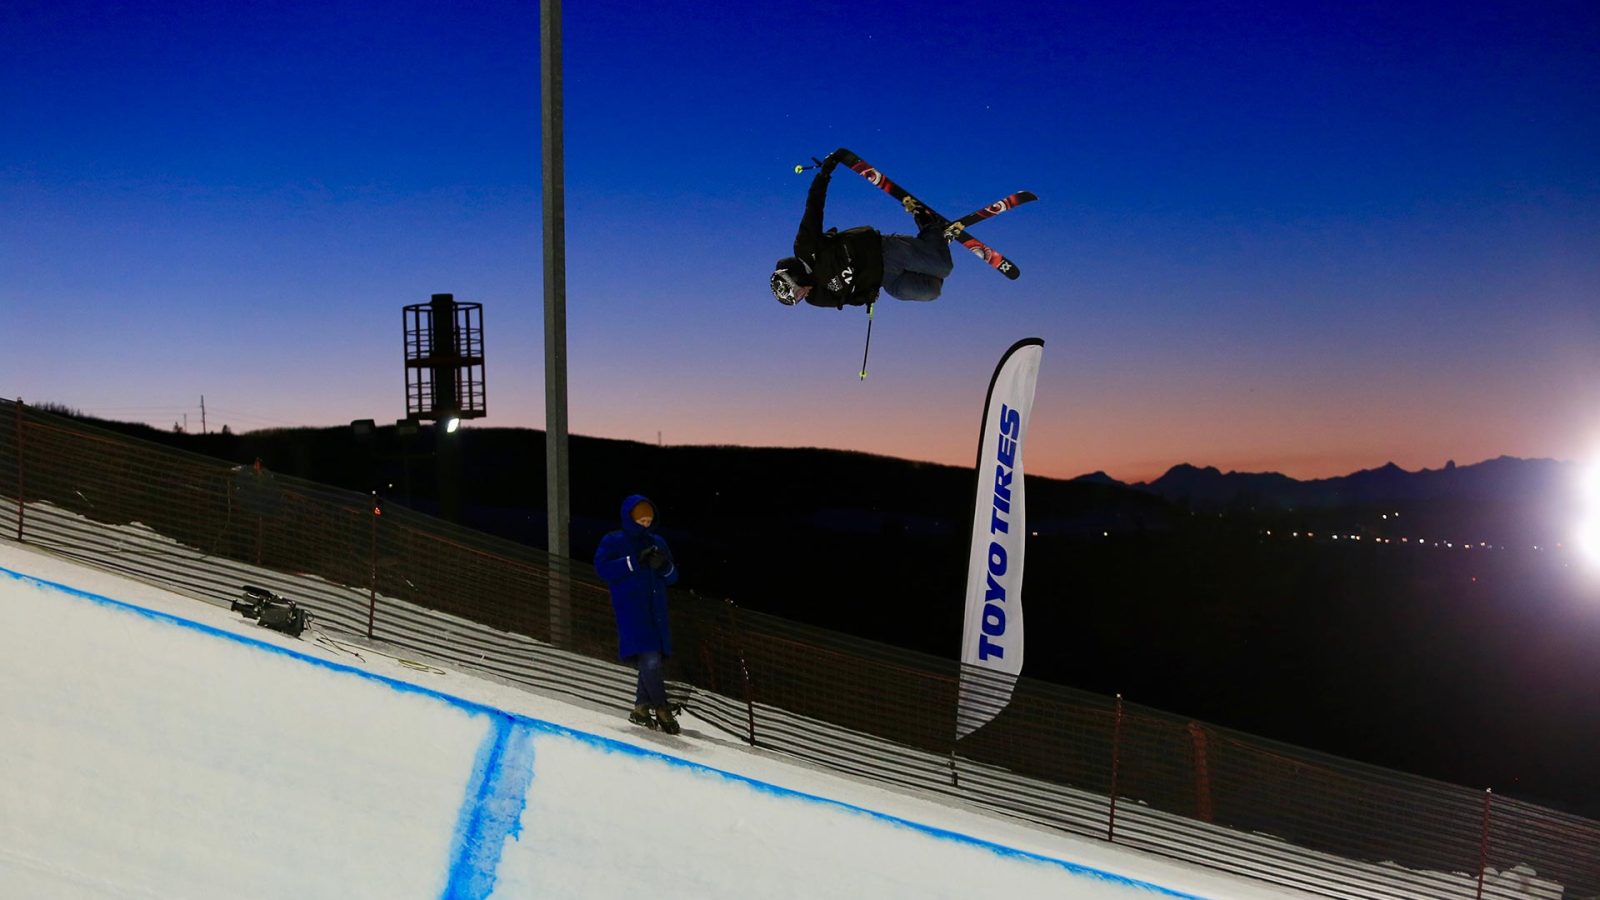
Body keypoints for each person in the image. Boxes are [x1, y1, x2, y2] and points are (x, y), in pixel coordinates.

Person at [770, 148, 954, 309]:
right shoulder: (816, 298)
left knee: (944, 267)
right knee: (931, 291)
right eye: (798, 299)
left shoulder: (806, 247)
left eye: (798, 293)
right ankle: (932, 249)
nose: (803, 297)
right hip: (883, 278)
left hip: (883, 251)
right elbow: (844, 299)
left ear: (795, 278)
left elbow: (814, 208)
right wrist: (864, 298)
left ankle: (929, 225)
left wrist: (824, 175)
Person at [593, 494, 681, 734]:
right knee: (650, 659)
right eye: (641, 520)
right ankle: (661, 708)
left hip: (657, 611)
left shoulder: (658, 542)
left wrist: (663, 566)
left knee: (652, 660)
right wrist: (633, 562)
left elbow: (673, 577)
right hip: (631, 610)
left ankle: (641, 708)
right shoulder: (613, 541)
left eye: (648, 520)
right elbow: (602, 569)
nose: (645, 524)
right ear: (630, 518)